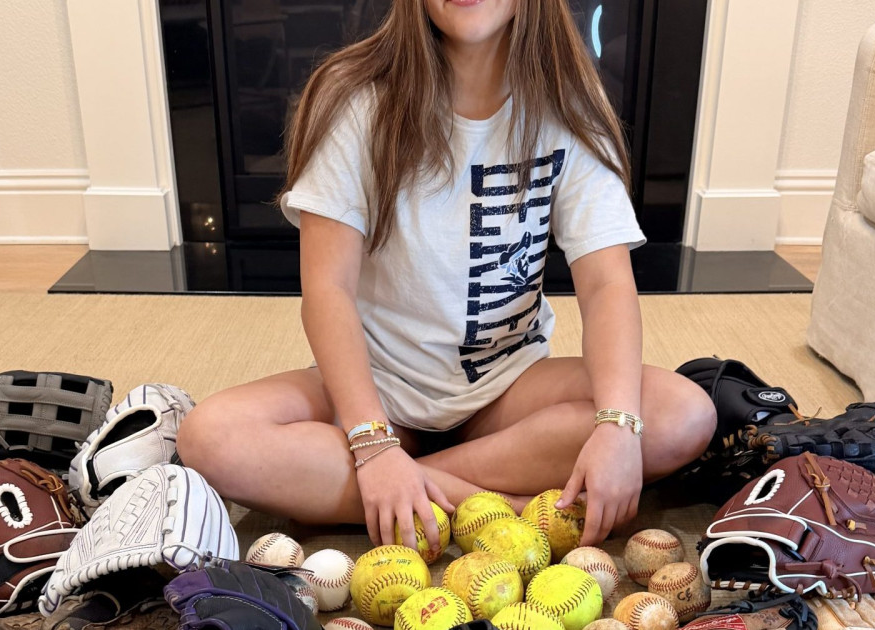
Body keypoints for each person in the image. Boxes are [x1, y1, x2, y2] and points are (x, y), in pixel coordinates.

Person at [177, 0, 715, 557]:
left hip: (507, 386)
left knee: (683, 413)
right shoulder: (352, 96)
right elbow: (326, 292)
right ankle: (485, 499)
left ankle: (415, 486)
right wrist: (371, 442)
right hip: (380, 385)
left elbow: (606, 286)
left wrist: (618, 425)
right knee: (210, 436)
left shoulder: (569, 102)